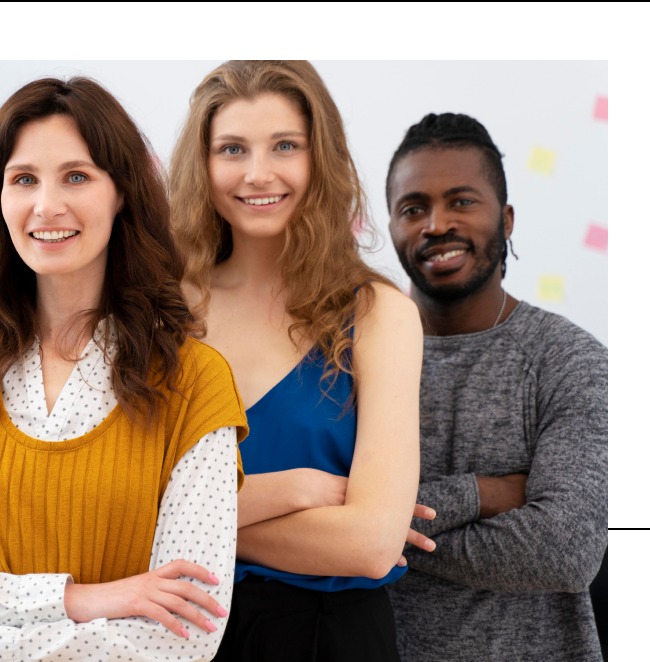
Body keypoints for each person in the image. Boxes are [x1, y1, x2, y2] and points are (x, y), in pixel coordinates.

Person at [0, 77, 248, 662]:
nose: (46, 205)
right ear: (0, 199)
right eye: (24, 180)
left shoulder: (194, 381)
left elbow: (184, 635)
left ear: (122, 194)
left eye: (77, 176)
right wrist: (80, 599)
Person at [170, 60, 431, 661]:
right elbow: (123, 505)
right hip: (177, 631)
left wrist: (191, 527)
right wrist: (300, 489)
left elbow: (369, 545)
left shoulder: (378, 313)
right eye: (232, 148)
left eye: (285, 145)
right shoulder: (162, 311)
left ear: (321, 158)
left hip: (331, 638)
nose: (258, 173)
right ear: (201, 165)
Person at [384, 112, 607, 661]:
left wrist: (368, 533)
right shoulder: (350, 362)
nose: (436, 225)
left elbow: (563, 550)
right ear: (390, 227)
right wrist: (486, 493)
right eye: (414, 208)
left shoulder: (570, 360)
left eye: (462, 201)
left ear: (506, 220)